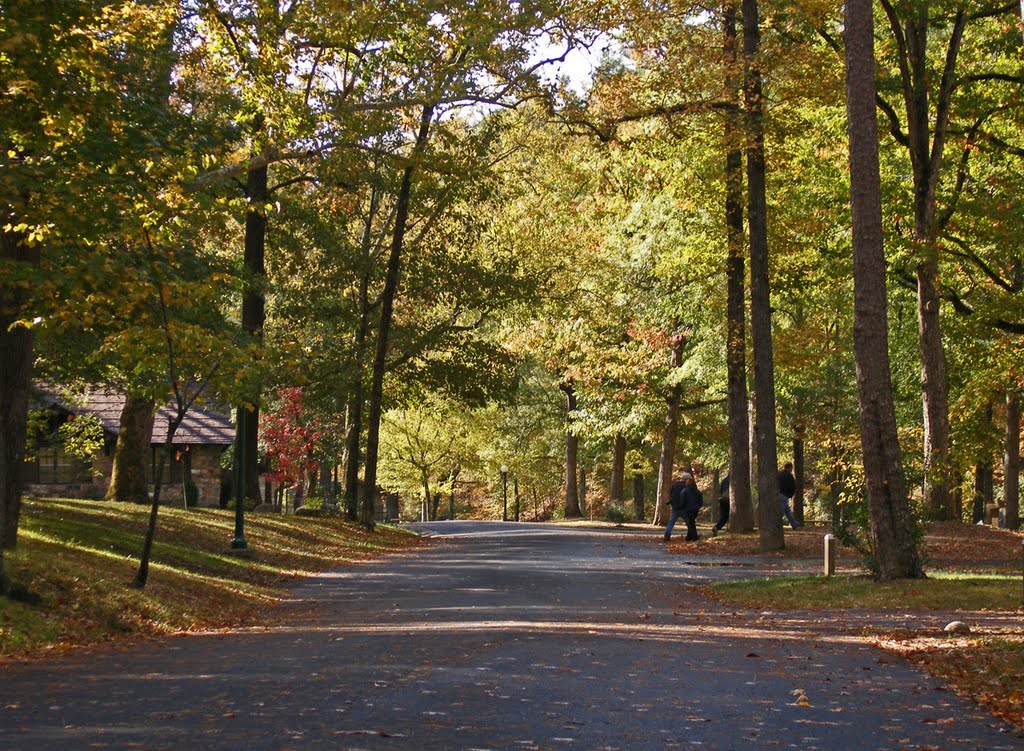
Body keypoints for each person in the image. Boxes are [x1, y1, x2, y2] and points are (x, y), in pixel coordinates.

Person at [666, 472, 703, 542]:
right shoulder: (687, 487)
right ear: (687, 479)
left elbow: (671, 494)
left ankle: (667, 535)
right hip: (684, 508)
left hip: (675, 507)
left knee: (672, 521)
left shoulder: (675, 485)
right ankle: (692, 536)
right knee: (690, 523)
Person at [778, 462, 801, 529]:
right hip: (784, 495)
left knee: (787, 511)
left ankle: (794, 524)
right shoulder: (789, 476)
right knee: (781, 511)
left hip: (779, 494)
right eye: (791, 468)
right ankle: (776, 524)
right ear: (789, 468)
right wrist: (790, 494)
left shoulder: (779, 474)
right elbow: (792, 486)